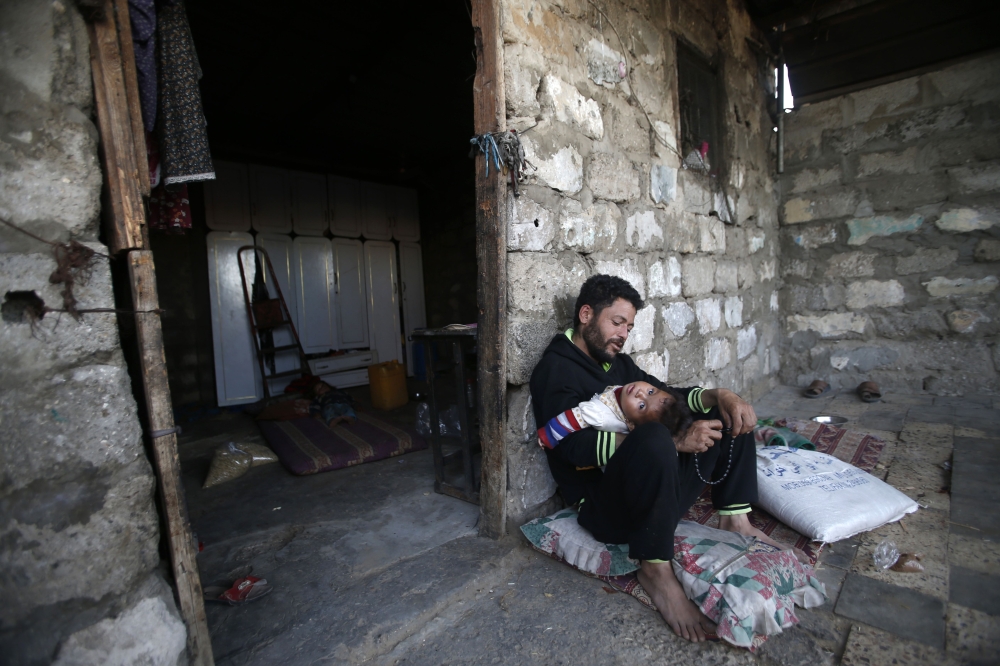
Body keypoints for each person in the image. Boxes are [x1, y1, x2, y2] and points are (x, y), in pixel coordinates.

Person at [530, 274, 800, 643]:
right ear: (586, 314)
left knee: (721, 414)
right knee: (655, 437)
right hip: (606, 508)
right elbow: (568, 447)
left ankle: (735, 519)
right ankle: (655, 569)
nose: (623, 334)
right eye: (617, 322)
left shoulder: (617, 365)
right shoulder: (556, 369)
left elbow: (666, 397)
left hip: (652, 495)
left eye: (628, 327)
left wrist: (719, 395)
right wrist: (673, 442)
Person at [537, 381, 693, 450]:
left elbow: (572, 418)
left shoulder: (599, 413)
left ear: (631, 424)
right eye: (651, 391)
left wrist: (548, 436)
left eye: (641, 406)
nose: (640, 393)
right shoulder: (625, 398)